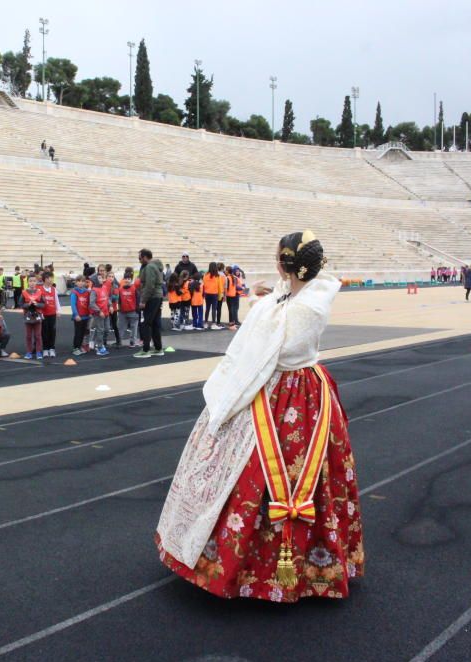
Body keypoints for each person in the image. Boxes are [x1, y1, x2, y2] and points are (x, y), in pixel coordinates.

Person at [156, 230, 363, 603]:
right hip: (308, 390)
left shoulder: (301, 309)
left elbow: (274, 351)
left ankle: (258, 570)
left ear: (285, 265)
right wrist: (264, 302)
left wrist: (261, 309)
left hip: (284, 393)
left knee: (259, 471)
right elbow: (277, 316)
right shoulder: (306, 296)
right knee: (308, 477)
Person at [135, 248, 165, 358]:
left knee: (146, 323)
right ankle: (158, 348)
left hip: (152, 297)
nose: (139, 260)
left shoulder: (149, 267)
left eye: (140, 257)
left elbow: (149, 285)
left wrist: (143, 300)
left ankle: (146, 349)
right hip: (157, 296)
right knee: (155, 323)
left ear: (145, 257)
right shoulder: (154, 266)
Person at [21, 275, 45, 360]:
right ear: (27, 282)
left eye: (34, 281)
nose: (32, 283)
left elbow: (43, 304)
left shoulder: (40, 292)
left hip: (37, 316)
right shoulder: (24, 292)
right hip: (28, 316)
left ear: (36, 282)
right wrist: (28, 304)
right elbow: (21, 304)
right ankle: (29, 352)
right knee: (28, 336)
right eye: (30, 281)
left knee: (38, 335)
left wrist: (37, 304)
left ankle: (38, 352)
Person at [89, 273, 111, 357]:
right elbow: (91, 303)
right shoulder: (94, 290)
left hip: (106, 313)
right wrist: (99, 311)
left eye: (102, 278)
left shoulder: (104, 288)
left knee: (107, 329)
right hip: (98, 314)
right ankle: (99, 347)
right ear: (95, 280)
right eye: (100, 278)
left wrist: (111, 305)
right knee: (100, 330)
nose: (102, 279)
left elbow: (107, 298)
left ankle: (99, 343)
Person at [69, 275, 91, 355]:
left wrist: (90, 313)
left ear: (85, 282)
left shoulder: (87, 292)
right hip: (78, 317)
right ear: (76, 282)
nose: (80, 283)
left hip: (86, 316)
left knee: (83, 333)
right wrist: (76, 315)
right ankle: (76, 348)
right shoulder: (74, 292)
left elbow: (89, 303)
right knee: (78, 332)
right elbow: (73, 304)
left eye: (82, 281)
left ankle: (80, 346)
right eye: (79, 281)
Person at [40, 272, 60, 357]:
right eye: (48, 278)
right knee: (44, 331)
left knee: (52, 331)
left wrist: (58, 310)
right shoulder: (40, 290)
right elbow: (39, 302)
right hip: (44, 314)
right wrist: (40, 313)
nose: (50, 280)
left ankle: (52, 348)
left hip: (52, 313)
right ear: (44, 279)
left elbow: (56, 300)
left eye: (51, 278)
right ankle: (45, 349)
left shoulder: (54, 289)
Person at [119, 268, 141, 346]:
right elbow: (119, 300)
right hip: (123, 312)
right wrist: (119, 309)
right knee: (121, 327)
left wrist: (137, 310)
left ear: (131, 280)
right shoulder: (120, 289)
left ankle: (132, 341)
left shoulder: (134, 289)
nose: (127, 280)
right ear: (124, 279)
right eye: (126, 278)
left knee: (133, 327)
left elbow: (138, 300)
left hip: (133, 311)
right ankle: (119, 341)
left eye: (129, 279)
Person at [202, 263, 223, 330]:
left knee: (207, 308)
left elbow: (204, 285)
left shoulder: (205, 275)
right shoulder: (218, 276)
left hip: (207, 294)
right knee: (214, 309)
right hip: (214, 294)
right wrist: (220, 294)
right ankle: (213, 323)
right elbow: (220, 286)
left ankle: (205, 323)